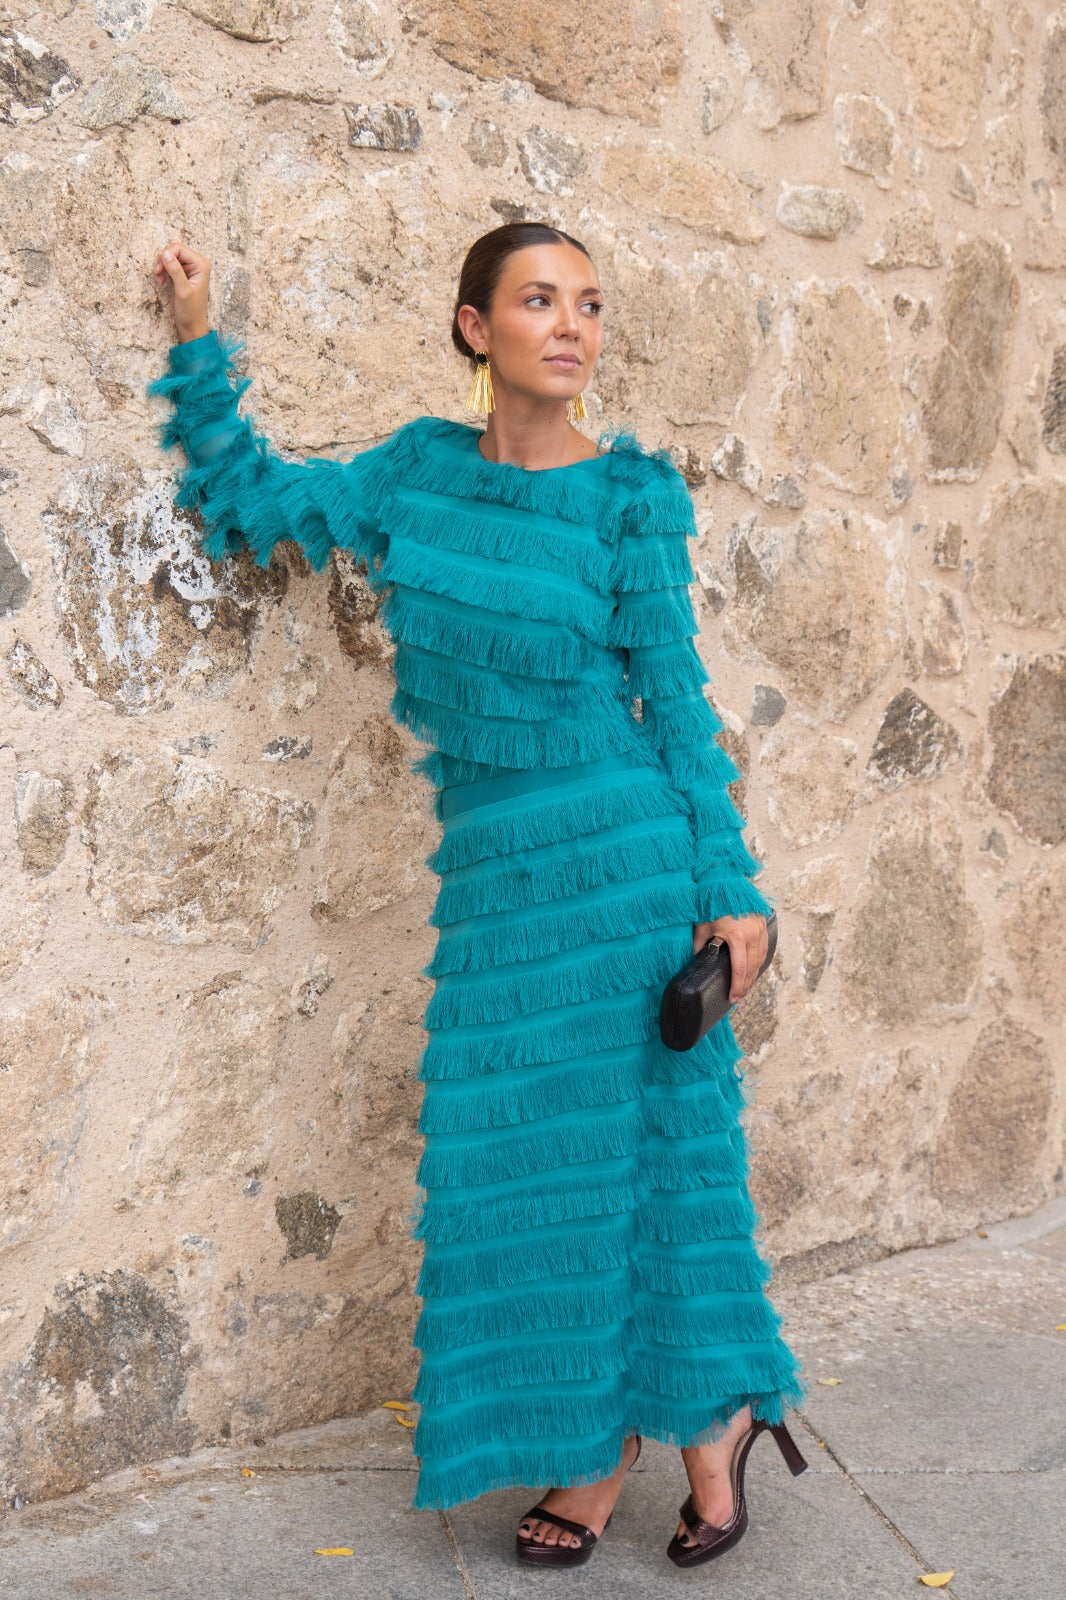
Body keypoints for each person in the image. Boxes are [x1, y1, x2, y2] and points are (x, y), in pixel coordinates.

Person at [148, 220, 808, 1569]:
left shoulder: (628, 497)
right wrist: (196, 337)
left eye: (590, 305)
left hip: (623, 870)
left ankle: (683, 1429)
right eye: (538, 300)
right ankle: (628, 1436)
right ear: (474, 327)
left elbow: (677, 710)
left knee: (654, 1159)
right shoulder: (416, 474)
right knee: (532, 1175)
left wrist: (730, 892)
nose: (571, 327)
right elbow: (248, 497)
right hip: (498, 893)